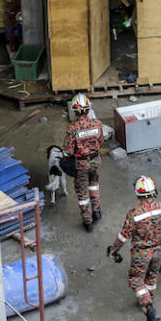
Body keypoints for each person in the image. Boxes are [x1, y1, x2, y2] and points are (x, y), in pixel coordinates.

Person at [106, 176, 161, 321]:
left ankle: (149, 309)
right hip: (160, 250)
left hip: (141, 253)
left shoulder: (134, 214)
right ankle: (149, 299)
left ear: (138, 194)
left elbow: (123, 236)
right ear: (154, 191)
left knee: (136, 280)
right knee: (152, 275)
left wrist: (114, 250)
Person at [62, 93, 105, 232]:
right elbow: (101, 141)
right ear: (88, 109)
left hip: (80, 166)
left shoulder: (72, 129)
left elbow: (68, 151)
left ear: (74, 111)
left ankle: (88, 222)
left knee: (83, 194)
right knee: (94, 185)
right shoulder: (97, 124)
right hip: (95, 162)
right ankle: (97, 211)